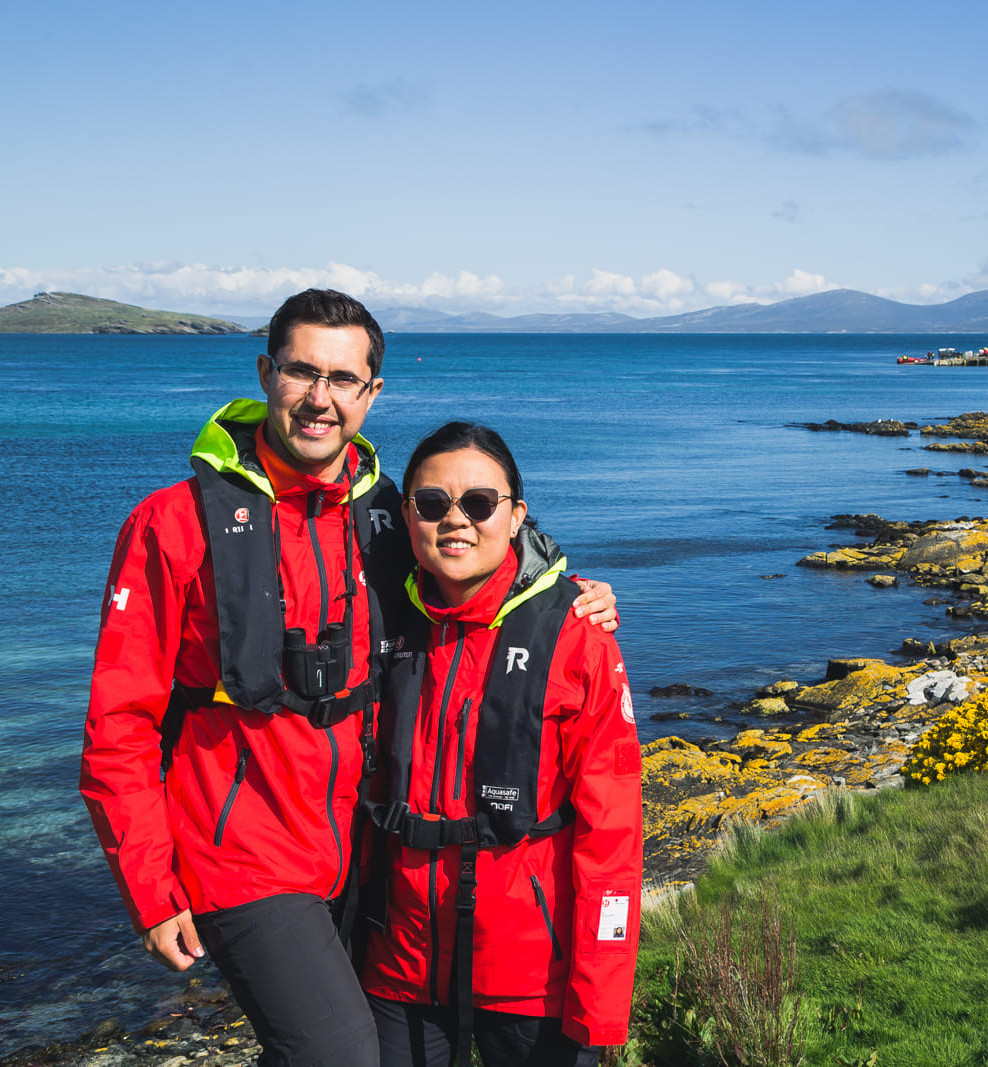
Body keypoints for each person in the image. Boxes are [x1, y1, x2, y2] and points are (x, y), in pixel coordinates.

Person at [80, 290, 617, 1067]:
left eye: (343, 378)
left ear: (372, 393)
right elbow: (118, 721)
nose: (320, 398)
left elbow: (474, 565)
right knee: (339, 1054)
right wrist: (152, 889)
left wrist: (571, 593)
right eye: (301, 372)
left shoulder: (385, 516)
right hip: (245, 854)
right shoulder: (173, 523)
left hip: (363, 855)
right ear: (266, 373)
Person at [360, 422, 641, 1067]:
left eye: (480, 504)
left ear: (516, 515)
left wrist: (599, 998)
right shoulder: (379, 619)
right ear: (407, 517)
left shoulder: (577, 634)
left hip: (530, 978)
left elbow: (613, 832)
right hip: (396, 965)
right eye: (431, 504)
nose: (455, 520)